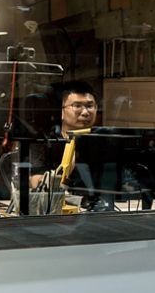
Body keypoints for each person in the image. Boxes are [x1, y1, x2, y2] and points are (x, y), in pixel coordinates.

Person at [13, 81, 97, 216]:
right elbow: (36, 181)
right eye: (77, 106)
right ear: (61, 111)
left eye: (89, 106)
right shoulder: (44, 141)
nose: (85, 112)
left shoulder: (102, 141)